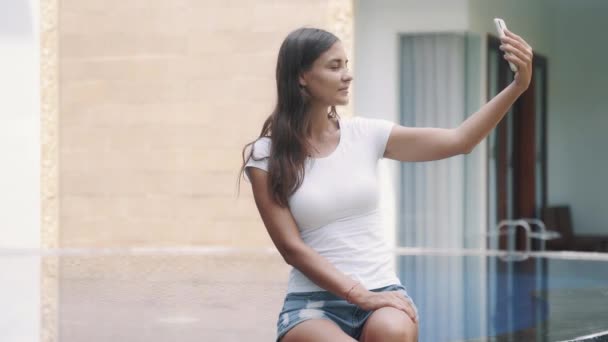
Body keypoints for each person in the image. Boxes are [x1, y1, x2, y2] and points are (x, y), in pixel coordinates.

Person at [237, 27, 533, 342]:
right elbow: (291, 249)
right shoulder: (266, 155)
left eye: (346, 64)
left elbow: (460, 140)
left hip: (382, 293)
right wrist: (359, 295)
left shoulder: (366, 134)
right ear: (301, 77)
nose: (347, 75)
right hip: (312, 302)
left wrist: (518, 85)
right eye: (334, 66)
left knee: (392, 332)